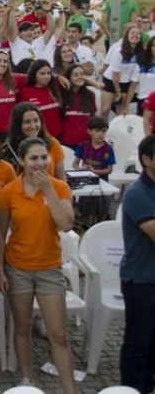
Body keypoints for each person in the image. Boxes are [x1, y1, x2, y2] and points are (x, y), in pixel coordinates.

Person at [0, 137, 77, 393]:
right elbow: (0, 234)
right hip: (17, 267)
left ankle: (69, 388)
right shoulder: (10, 191)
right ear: (21, 161)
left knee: (59, 334)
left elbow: (66, 224)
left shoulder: (61, 187)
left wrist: (49, 191)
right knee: (23, 326)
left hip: (49, 267)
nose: (40, 163)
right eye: (33, 158)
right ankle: (27, 378)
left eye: (44, 157)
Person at [119, 134, 155, 393]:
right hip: (140, 280)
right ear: (147, 159)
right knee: (139, 341)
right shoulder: (137, 193)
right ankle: (132, 388)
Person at [5, 102, 66, 180]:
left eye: (36, 121)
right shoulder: (9, 149)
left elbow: (62, 179)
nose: (33, 126)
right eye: (27, 122)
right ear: (18, 125)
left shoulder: (53, 143)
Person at [102, 26, 143, 115]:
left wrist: (127, 105)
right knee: (105, 109)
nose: (135, 35)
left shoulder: (139, 54)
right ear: (126, 36)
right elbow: (115, 74)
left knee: (121, 112)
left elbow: (133, 84)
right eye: (132, 33)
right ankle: (102, 128)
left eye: (138, 33)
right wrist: (118, 91)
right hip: (111, 80)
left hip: (125, 82)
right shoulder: (119, 51)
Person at [20, 60, 64, 140]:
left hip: (58, 135)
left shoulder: (55, 87)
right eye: (42, 74)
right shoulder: (25, 92)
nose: (46, 76)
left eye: (48, 73)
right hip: (38, 136)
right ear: (34, 74)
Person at [60, 64, 98, 150]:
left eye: (81, 74)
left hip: (86, 142)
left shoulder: (90, 95)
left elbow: (92, 118)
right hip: (67, 142)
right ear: (68, 78)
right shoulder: (61, 95)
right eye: (75, 75)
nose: (80, 77)